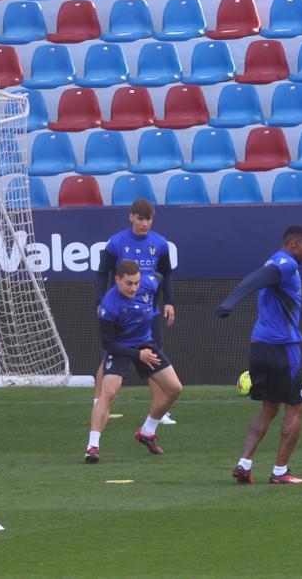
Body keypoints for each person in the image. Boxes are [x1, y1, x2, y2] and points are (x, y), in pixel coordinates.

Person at [216, 227, 302, 485]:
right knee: (296, 407)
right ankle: (280, 472)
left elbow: (261, 276)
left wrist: (230, 302)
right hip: (283, 347)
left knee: (269, 407)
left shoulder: (274, 260)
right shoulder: (286, 264)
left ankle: (244, 464)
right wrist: (230, 301)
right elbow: (256, 278)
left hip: (259, 346)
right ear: (293, 244)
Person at [86, 260, 183, 463]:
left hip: (145, 343)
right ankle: (92, 447)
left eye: (136, 283)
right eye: (129, 283)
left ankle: (147, 432)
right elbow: (108, 344)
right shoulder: (109, 305)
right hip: (120, 347)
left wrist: (157, 304)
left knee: (174, 388)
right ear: (117, 280)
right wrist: (138, 356)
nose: (134, 288)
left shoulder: (149, 283)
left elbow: (161, 277)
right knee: (110, 392)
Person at [94, 198, 177, 425]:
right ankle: (99, 402)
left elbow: (166, 274)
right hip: (121, 311)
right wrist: (100, 301)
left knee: (153, 354)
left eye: (148, 218)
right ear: (131, 217)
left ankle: (159, 410)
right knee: (110, 355)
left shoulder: (160, 243)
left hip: (148, 310)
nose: (144, 223)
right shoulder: (116, 243)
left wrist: (169, 301)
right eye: (140, 218)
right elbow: (103, 273)